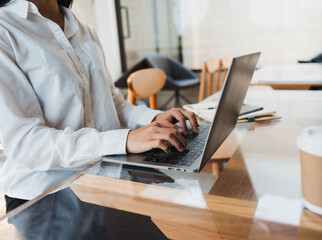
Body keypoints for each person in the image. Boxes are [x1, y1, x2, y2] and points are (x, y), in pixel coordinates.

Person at [0, 0, 198, 212]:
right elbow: (27, 143)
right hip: (45, 194)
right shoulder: (6, 30)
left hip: (103, 179)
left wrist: (152, 119)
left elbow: (111, 102)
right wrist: (125, 139)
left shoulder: (82, 28)